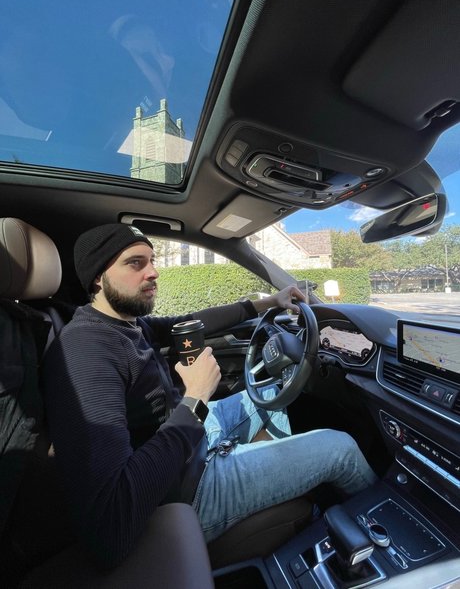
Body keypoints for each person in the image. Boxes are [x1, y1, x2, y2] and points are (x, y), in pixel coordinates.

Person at [42, 223, 377, 569]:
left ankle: (288, 488)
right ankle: (382, 538)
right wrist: (196, 398)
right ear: (98, 277)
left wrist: (269, 302)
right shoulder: (86, 351)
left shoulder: (128, 323)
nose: (153, 272)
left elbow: (190, 322)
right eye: (135, 263)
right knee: (340, 449)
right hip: (184, 490)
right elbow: (112, 522)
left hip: (189, 442)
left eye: (152, 261)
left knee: (271, 391)